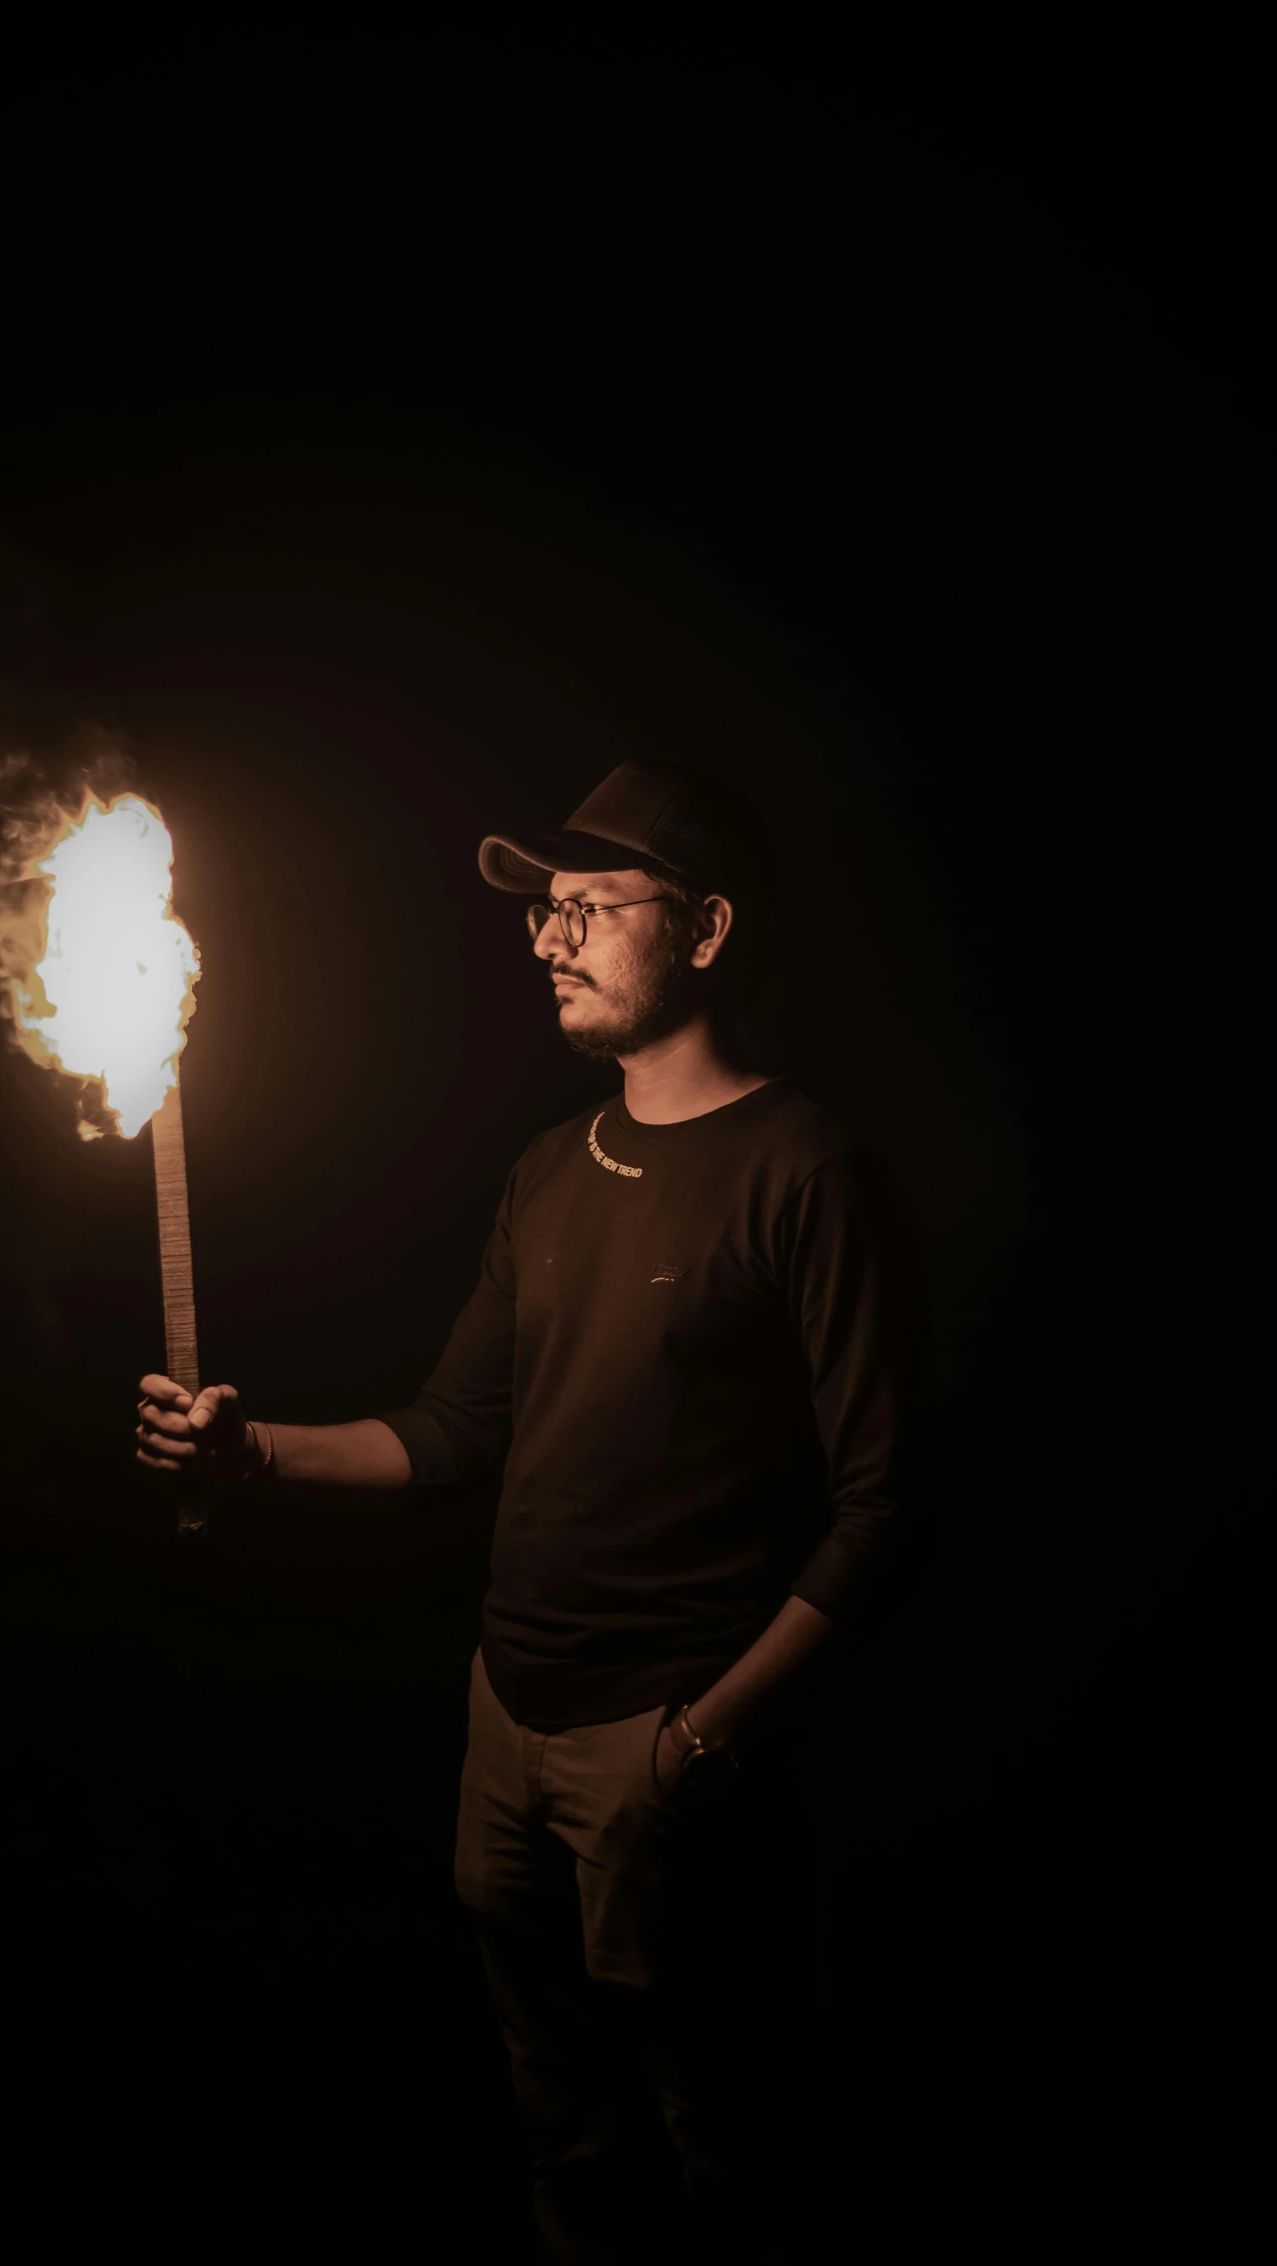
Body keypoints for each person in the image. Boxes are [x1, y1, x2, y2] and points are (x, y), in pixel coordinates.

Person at [135, 758, 923, 2264]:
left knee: (725, 2131)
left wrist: (698, 1739)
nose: (547, 940)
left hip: (667, 1751)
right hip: (506, 1724)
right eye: (543, 912)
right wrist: (252, 1455)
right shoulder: (551, 1170)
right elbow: (451, 1435)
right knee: (563, 2123)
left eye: (588, 907)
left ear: (703, 931)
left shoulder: (804, 1173)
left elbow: (885, 1507)